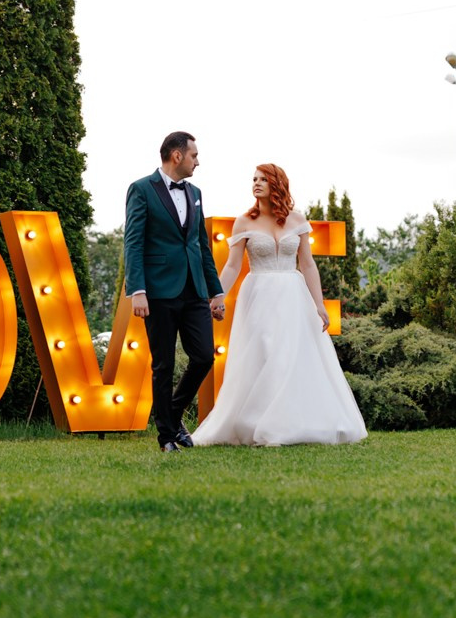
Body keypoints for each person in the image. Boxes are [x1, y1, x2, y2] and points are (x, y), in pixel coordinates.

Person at [191, 163, 366, 448]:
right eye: (254, 179)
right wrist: (218, 296)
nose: (256, 183)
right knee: (263, 353)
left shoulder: (297, 220)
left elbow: (307, 264)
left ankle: (289, 423)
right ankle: (256, 422)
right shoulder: (244, 221)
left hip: (293, 296)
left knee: (289, 356)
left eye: (263, 179)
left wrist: (319, 304)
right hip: (258, 294)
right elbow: (233, 266)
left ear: (277, 184)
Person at [123, 131, 227, 452]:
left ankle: (173, 412)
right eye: (194, 155)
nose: (198, 161)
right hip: (158, 291)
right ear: (177, 156)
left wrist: (216, 292)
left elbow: (201, 245)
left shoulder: (195, 192)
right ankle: (167, 436)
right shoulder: (141, 189)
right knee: (163, 365)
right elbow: (134, 241)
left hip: (194, 289)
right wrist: (137, 289)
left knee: (203, 356)